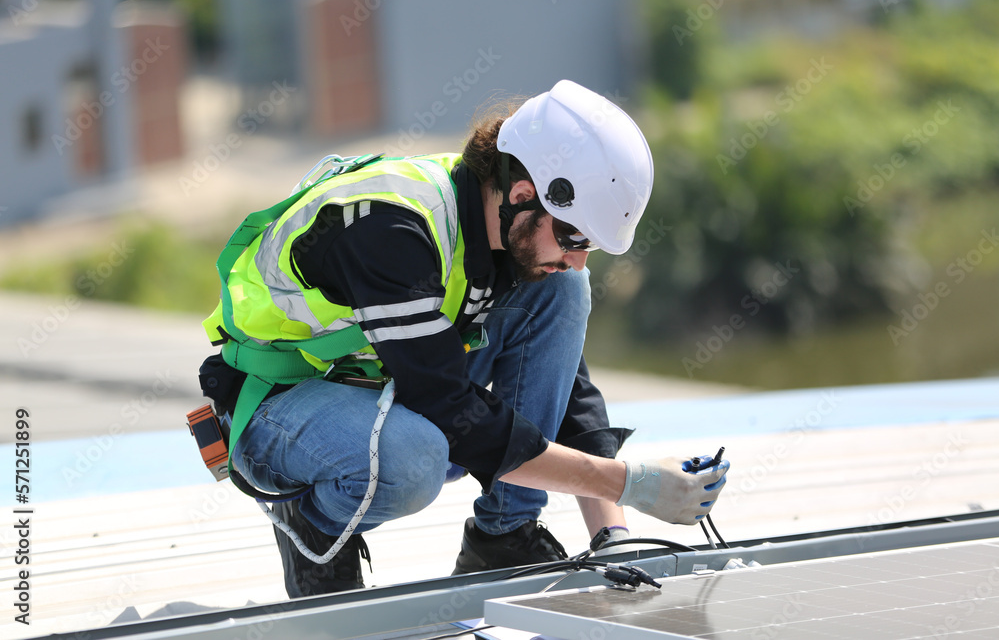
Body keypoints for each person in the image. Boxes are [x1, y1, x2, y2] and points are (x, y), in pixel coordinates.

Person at [197, 80, 730, 598]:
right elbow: (450, 411)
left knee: (564, 290)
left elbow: (561, 378)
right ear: (524, 195)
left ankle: (504, 535)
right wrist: (631, 483)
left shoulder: (498, 226)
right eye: (574, 236)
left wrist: (613, 533)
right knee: (414, 461)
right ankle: (312, 526)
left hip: (377, 379)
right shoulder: (392, 232)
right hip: (277, 405)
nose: (578, 255)